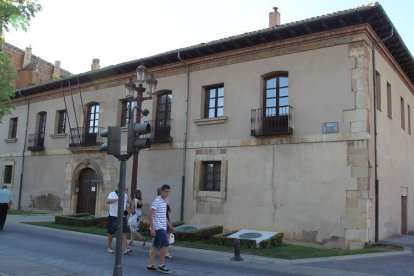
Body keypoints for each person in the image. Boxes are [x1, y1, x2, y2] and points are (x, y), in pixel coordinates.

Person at [147, 184, 172, 273]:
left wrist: (170, 226)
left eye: (168, 192)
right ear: (161, 191)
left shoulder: (164, 201)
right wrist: (152, 228)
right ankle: (161, 265)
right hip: (158, 227)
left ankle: (150, 266)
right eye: (166, 191)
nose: (167, 193)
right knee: (166, 244)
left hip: (163, 226)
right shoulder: (157, 200)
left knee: (155, 246)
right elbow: (150, 214)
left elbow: (163, 216)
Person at [106, 184, 132, 254]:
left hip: (122, 216)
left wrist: (127, 192)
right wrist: (117, 199)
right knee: (111, 232)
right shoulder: (112, 193)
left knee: (123, 232)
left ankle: (126, 248)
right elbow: (107, 201)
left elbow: (130, 201)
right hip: (113, 215)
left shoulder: (125, 195)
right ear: (118, 187)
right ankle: (109, 247)